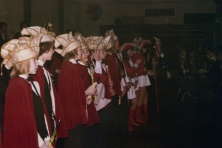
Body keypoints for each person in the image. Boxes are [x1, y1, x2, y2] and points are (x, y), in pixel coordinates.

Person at [1, 34, 53, 147]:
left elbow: (40, 113)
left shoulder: (30, 82)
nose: (37, 64)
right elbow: (24, 121)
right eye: (34, 60)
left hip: (41, 137)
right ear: (24, 63)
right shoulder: (17, 85)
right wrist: (40, 142)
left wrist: (47, 137)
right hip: (32, 140)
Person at [21, 26, 68, 147]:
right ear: (45, 49)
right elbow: (40, 105)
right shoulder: (37, 72)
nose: (53, 51)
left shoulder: (43, 71)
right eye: (51, 48)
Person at [55, 32, 96, 148]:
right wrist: (87, 93)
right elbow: (71, 93)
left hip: (72, 110)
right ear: (73, 51)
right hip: (73, 112)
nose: (81, 52)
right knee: (74, 142)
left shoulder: (68, 66)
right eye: (79, 49)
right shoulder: (70, 67)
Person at [120, 43, 142, 131]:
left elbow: (133, 72)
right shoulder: (124, 60)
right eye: (130, 50)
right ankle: (128, 124)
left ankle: (131, 121)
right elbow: (129, 72)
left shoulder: (129, 59)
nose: (132, 52)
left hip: (131, 82)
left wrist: (136, 79)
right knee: (128, 104)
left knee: (134, 102)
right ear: (126, 52)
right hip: (127, 83)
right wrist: (136, 64)